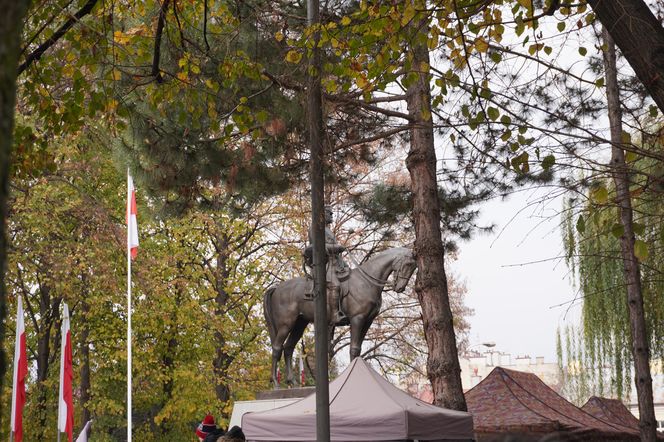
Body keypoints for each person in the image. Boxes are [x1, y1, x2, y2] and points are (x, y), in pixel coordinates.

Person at [306, 205, 349, 325]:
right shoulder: (315, 228)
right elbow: (318, 246)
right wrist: (337, 247)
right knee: (335, 285)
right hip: (323, 264)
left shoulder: (327, 230)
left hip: (335, 263)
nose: (332, 216)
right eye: (329, 213)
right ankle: (335, 314)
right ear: (322, 214)